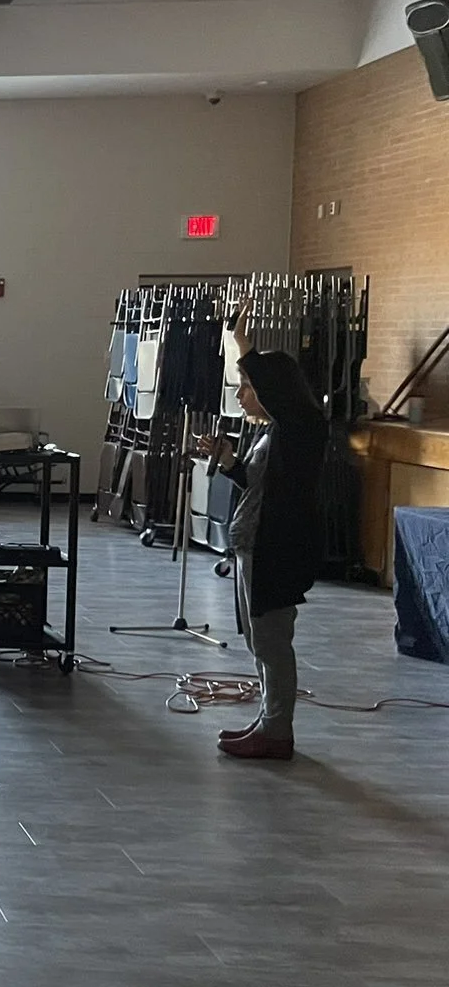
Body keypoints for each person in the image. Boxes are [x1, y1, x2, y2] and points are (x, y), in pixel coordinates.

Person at [197, 307, 329, 762]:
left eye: (247, 386)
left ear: (275, 390)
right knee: (259, 640)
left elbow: (279, 397)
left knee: (272, 641)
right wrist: (229, 461)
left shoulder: (302, 426)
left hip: (276, 547)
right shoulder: (275, 433)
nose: (240, 394)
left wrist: (244, 346)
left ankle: (277, 732)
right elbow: (257, 485)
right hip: (253, 544)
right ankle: (268, 721)